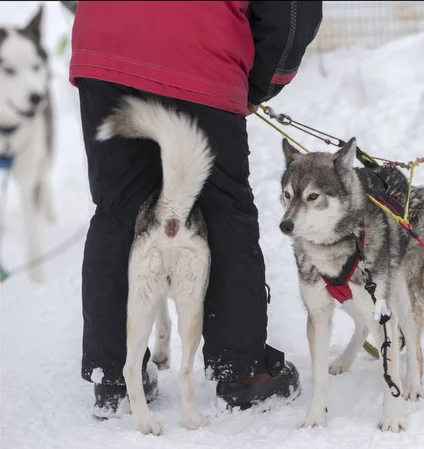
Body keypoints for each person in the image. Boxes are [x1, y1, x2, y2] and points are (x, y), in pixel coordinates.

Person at [69, 1, 323, 417]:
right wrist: (258, 84)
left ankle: (113, 377)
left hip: (104, 48)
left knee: (118, 209)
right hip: (200, 50)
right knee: (223, 209)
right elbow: (292, 14)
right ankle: (242, 371)